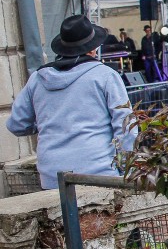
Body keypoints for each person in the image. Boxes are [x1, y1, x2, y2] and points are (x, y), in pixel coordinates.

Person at [6, 15, 137, 189]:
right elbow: (126, 127)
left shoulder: (37, 78)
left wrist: (47, 123)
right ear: (92, 49)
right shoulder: (105, 76)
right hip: (98, 173)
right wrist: (127, 167)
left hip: (52, 176)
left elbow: (17, 124)